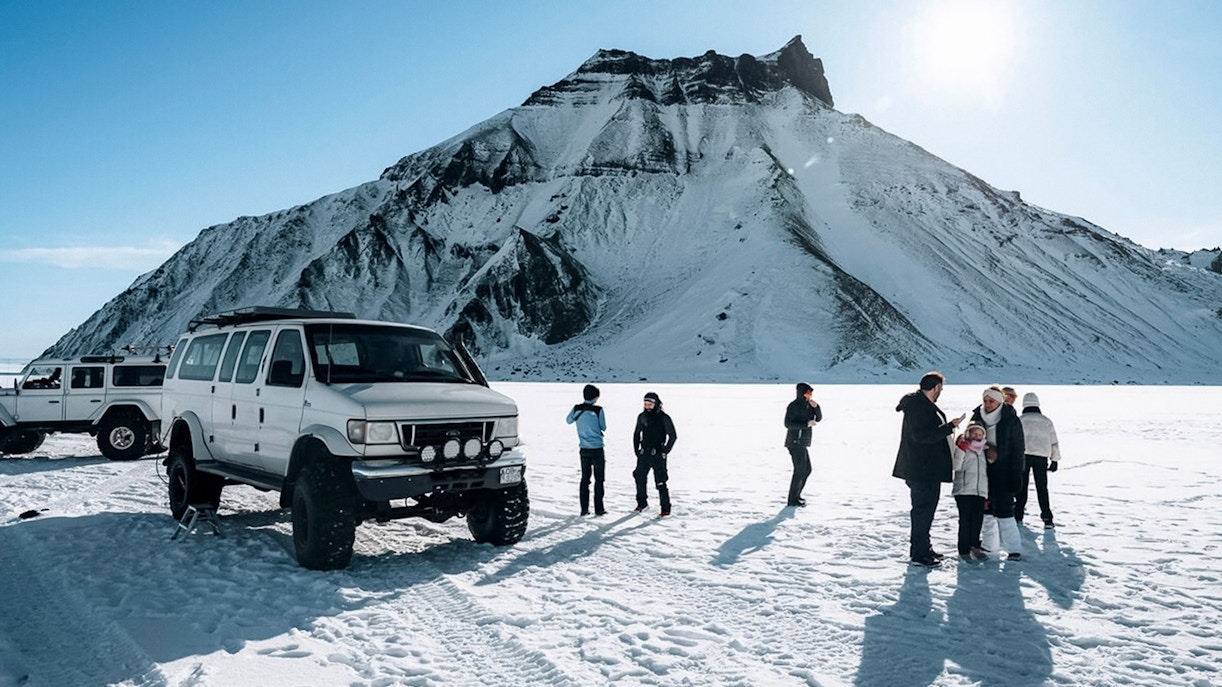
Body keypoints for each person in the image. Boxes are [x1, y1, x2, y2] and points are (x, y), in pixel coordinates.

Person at [892, 371, 964, 567]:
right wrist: (948, 428)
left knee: (926, 511)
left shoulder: (922, 405)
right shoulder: (918, 407)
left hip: (926, 469)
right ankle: (919, 553)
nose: (942, 391)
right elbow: (921, 436)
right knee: (923, 511)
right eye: (941, 388)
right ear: (936, 388)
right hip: (921, 469)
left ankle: (924, 548)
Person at [972, 386, 1026, 560]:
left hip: (1005, 472)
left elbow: (1018, 450)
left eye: (991, 401)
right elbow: (970, 440)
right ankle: (989, 546)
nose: (987, 405)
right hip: (982, 472)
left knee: (1005, 513)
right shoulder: (977, 417)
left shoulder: (1010, 419)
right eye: (985, 401)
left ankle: (1014, 549)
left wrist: (1016, 476)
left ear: (1000, 401)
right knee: (986, 513)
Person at [1017, 392, 1061, 528]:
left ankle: (1018, 515)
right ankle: (1047, 518)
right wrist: (1055, 459)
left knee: (1021, 488)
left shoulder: (1020, 419)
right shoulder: (1046, 421)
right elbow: (1054, 441)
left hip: (1023, 456)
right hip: (1041, 457)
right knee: (1042, 488)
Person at [633, 391, 677, 516]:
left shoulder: (664, 417)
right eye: (646, 404)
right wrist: (636, 450)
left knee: (661, 481)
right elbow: (636, 434)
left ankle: (665, 507)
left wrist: (666, 450)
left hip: (658, 454)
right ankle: (642, 503)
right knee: (639, 477)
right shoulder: (642, 416)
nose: (647, 406)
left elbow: (672, 435)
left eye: (650, 404)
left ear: (656, 404)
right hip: (644, 453)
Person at [565, 384, 607, 516]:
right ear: (595, 397)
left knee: (585, 479)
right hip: (597, 448)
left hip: (584, 448)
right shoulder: (598, 410)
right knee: (599, 480)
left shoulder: (577, 409)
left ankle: (584, 509)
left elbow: (568, 420)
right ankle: (599, 509)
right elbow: (604, 427)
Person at [952, 423, 990, 561]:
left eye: (980, 434)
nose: (977, 437)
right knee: (965, 521)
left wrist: (986, 494)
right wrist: (961, 449)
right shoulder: (962, 448)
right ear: (968, 434)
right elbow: (955, 466)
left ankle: (975, 546)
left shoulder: (984, 451)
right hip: (964, 490)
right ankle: (963, 550)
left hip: (980, 491)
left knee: (977, 521)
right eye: (974, 434)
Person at [783, 382, 823, 507]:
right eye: (807, 392)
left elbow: (818, 418)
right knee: (800, 470)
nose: (810, 395)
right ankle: (792, 500)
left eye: (810, 393)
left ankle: (797, 496)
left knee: (807, 470)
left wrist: (816, 407)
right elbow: (788, 424)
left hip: (803, 442)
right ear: (801, 393)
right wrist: (805, 424)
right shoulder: (793, 406)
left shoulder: (809, 405)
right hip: (794, 442)